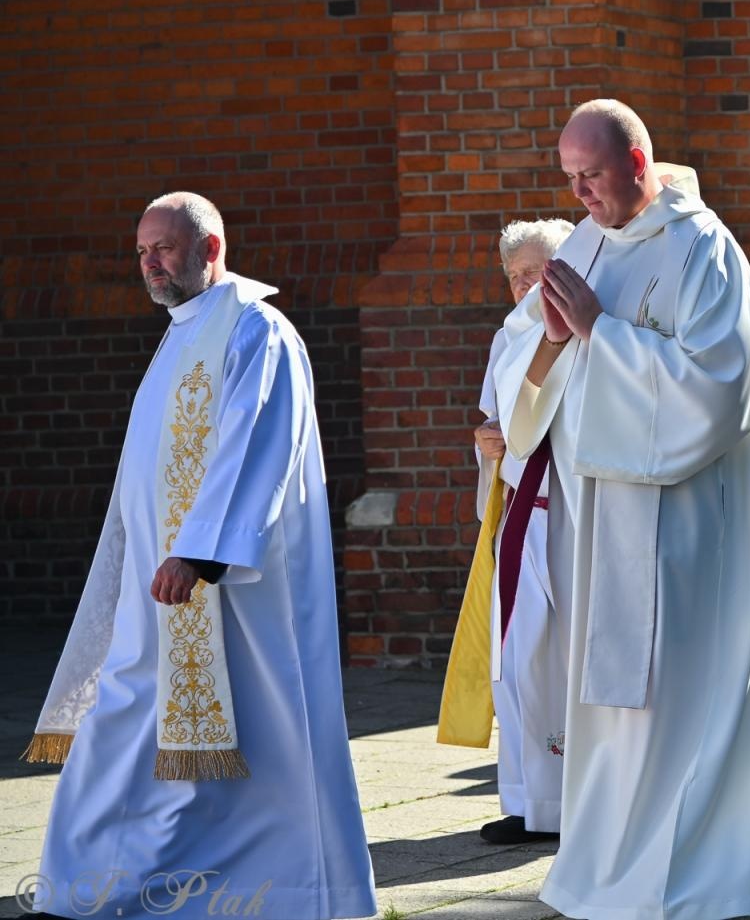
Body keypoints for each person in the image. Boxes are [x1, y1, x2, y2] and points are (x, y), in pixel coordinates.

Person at [24, 193, 377, 919]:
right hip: (158, 589)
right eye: (143, 252)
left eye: (165, 248)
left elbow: (255, 447)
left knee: (263, 732)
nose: (151, 264)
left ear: (210, 247)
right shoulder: (181, 334)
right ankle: (91, 882)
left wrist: (199, 553)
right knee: (121, 717)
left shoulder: (257, 329)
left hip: (233, 589)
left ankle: (294, 888)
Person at [490, 100, 750, 917]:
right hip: (599, 515)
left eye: (590, 175)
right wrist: (555, 339)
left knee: (676, 692)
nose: (579, 193)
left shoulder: (703, 249)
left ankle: (688, 862)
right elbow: (534, 352)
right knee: (614, 697)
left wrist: (599, 332)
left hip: (681, 522)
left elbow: (719, 390)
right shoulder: (585, 241)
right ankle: (612, 853)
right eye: (569, 178)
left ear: (637, 160)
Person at [439, 218, 575, 845]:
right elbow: (495, 425)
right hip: (519, 513)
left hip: (568, 513)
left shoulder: (580, 331)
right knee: (514, 663)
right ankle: (524, 799)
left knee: (560, 661)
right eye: (513, 274)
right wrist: (485, 443)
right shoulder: (505, 338)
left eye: (534, 271)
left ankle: (571, 799)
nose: (522, 285)